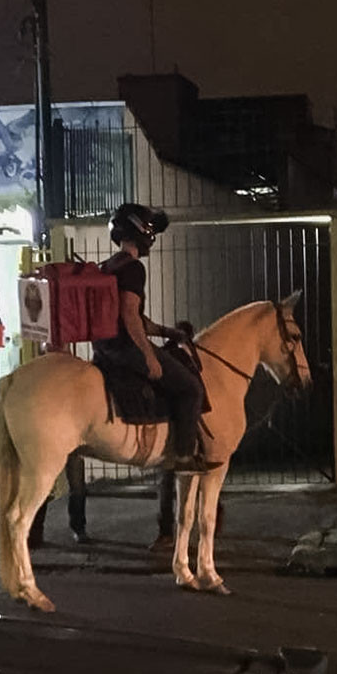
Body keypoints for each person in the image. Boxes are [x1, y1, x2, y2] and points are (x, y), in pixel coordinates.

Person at [94, 202, 221, 475]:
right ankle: (185, 457)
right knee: (191, 389)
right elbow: (129, 315)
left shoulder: (107, 266)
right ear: (143, 231)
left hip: (104, 350)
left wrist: (167, 332)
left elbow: (135, 317)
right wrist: (149, 356)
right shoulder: (133, 268)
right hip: (127, 348)